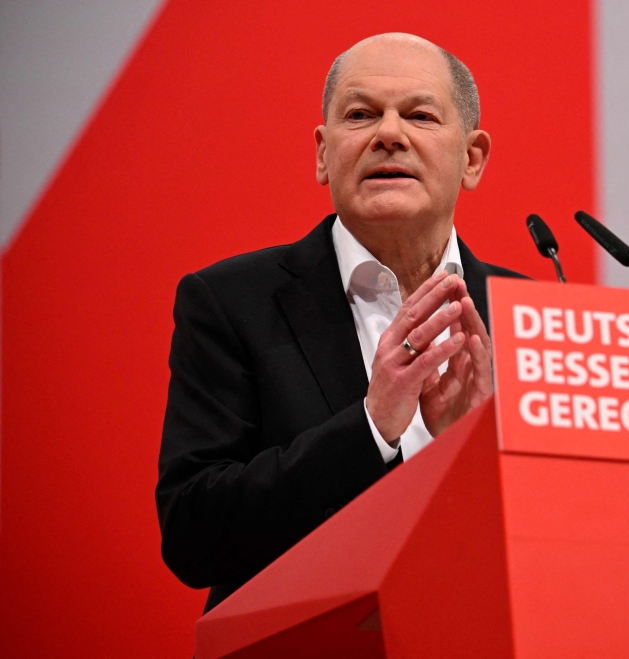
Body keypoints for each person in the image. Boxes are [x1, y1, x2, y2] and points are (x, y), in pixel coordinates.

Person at [155, 33, 525, 612]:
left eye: (420, 115)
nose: (389, 134)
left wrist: (473, 457)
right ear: (324, 154)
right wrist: (372, 427)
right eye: (361, 114)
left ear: (472, 158)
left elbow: (581, 528)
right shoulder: (231, 303)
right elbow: (194, 534)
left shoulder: (527, 316)